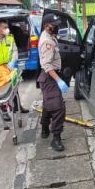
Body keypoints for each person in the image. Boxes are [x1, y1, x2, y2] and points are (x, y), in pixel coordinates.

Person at [37, 13, 69, 152]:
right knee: (58, 108)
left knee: (49, 105)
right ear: (46, 26)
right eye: (54, 25)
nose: (56, 26)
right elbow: (47, 65)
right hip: (50, 77)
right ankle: (56, 138)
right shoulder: (47, 42)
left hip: (50, 77)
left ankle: (44, 127)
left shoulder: (50, 37)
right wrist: (59, 80)